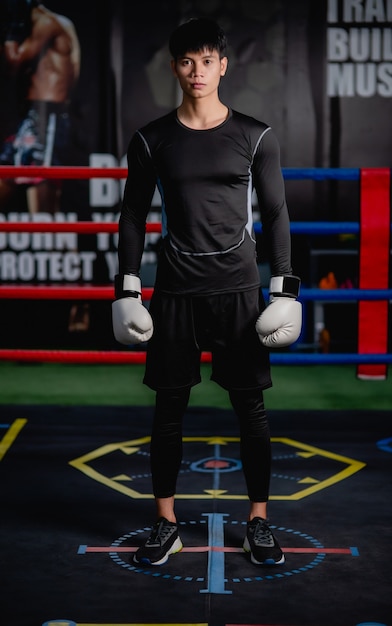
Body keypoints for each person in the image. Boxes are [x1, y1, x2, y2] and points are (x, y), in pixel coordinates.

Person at [112, 17, 302, 567]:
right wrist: (128, 288)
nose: (197, 71)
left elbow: (276, 213)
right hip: (175, 290)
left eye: (207, 60)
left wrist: (283, 289)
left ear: (224, 64)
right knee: (168, 408)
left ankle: (259, 522)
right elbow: (132, 214)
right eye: (186, 61)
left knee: (251, 409)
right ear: (175, 67)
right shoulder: (152, 139)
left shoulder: (255, 135)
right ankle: (164, 522)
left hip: (239, 290)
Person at [0, 0, 88, 332]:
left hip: (47, 119)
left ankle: (80, 303)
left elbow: (13, 62)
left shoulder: (48, 22)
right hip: (29, 120)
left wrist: (11, 32)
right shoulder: (37, 23)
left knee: (46, 221)